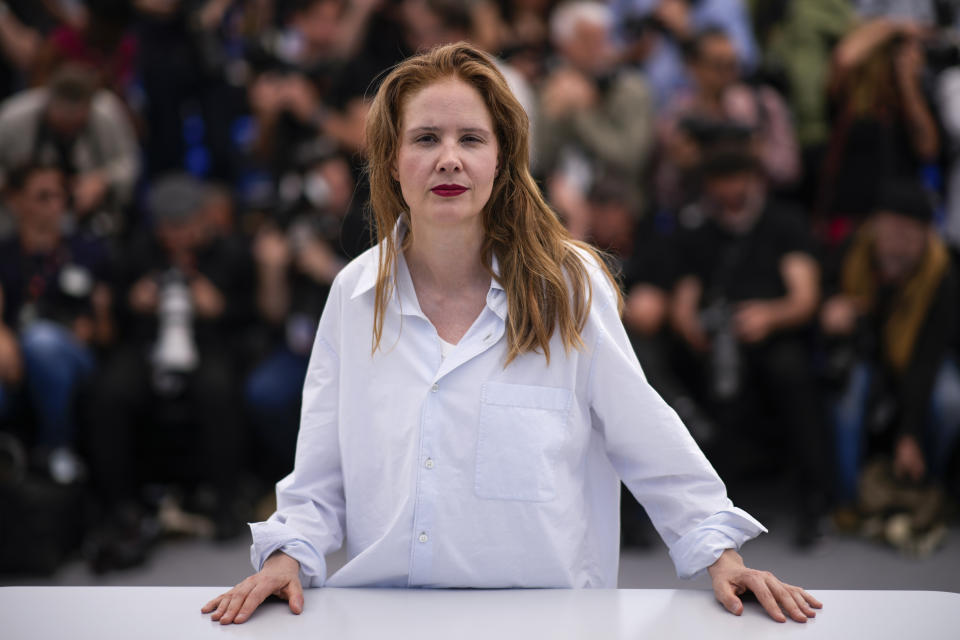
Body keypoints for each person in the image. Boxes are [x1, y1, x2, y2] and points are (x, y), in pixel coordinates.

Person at [201, 42, 821, 626]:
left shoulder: (568, 284)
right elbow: (319, 475)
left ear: (501, 158)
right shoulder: (354, 296)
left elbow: (644, 433)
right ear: (392, 162)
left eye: (471, 138)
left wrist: (722, 553)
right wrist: (288, 554)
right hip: (385, 618)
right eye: (425, 138)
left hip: (548, 621)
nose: (449, 158)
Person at [669, 148, 828, 546]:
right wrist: (695, 330)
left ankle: (814, 503)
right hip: (719, 344)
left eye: (737, 177)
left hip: (777, 339)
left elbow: (805, 297)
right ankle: (714, 508)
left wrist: (769, 316)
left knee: (791, 377)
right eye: (721, 179)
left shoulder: (783, 223)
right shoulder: (698, 230)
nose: (730, 188)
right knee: (702, 389)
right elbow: (683, 302)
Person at [822, 180, 959, 517]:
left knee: (950, 402)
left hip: (920, 359)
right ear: (876, 225)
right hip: (863, 355)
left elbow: (927, 357)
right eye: (890, 230)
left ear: (926, 234)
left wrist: (908, 433)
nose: (896, 243)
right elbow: (823, 289)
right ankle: (848, 499)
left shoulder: (940, 274)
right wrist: (830, 309)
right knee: (847, 401)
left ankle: (931, 486)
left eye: (908, 234)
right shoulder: (856, 249)